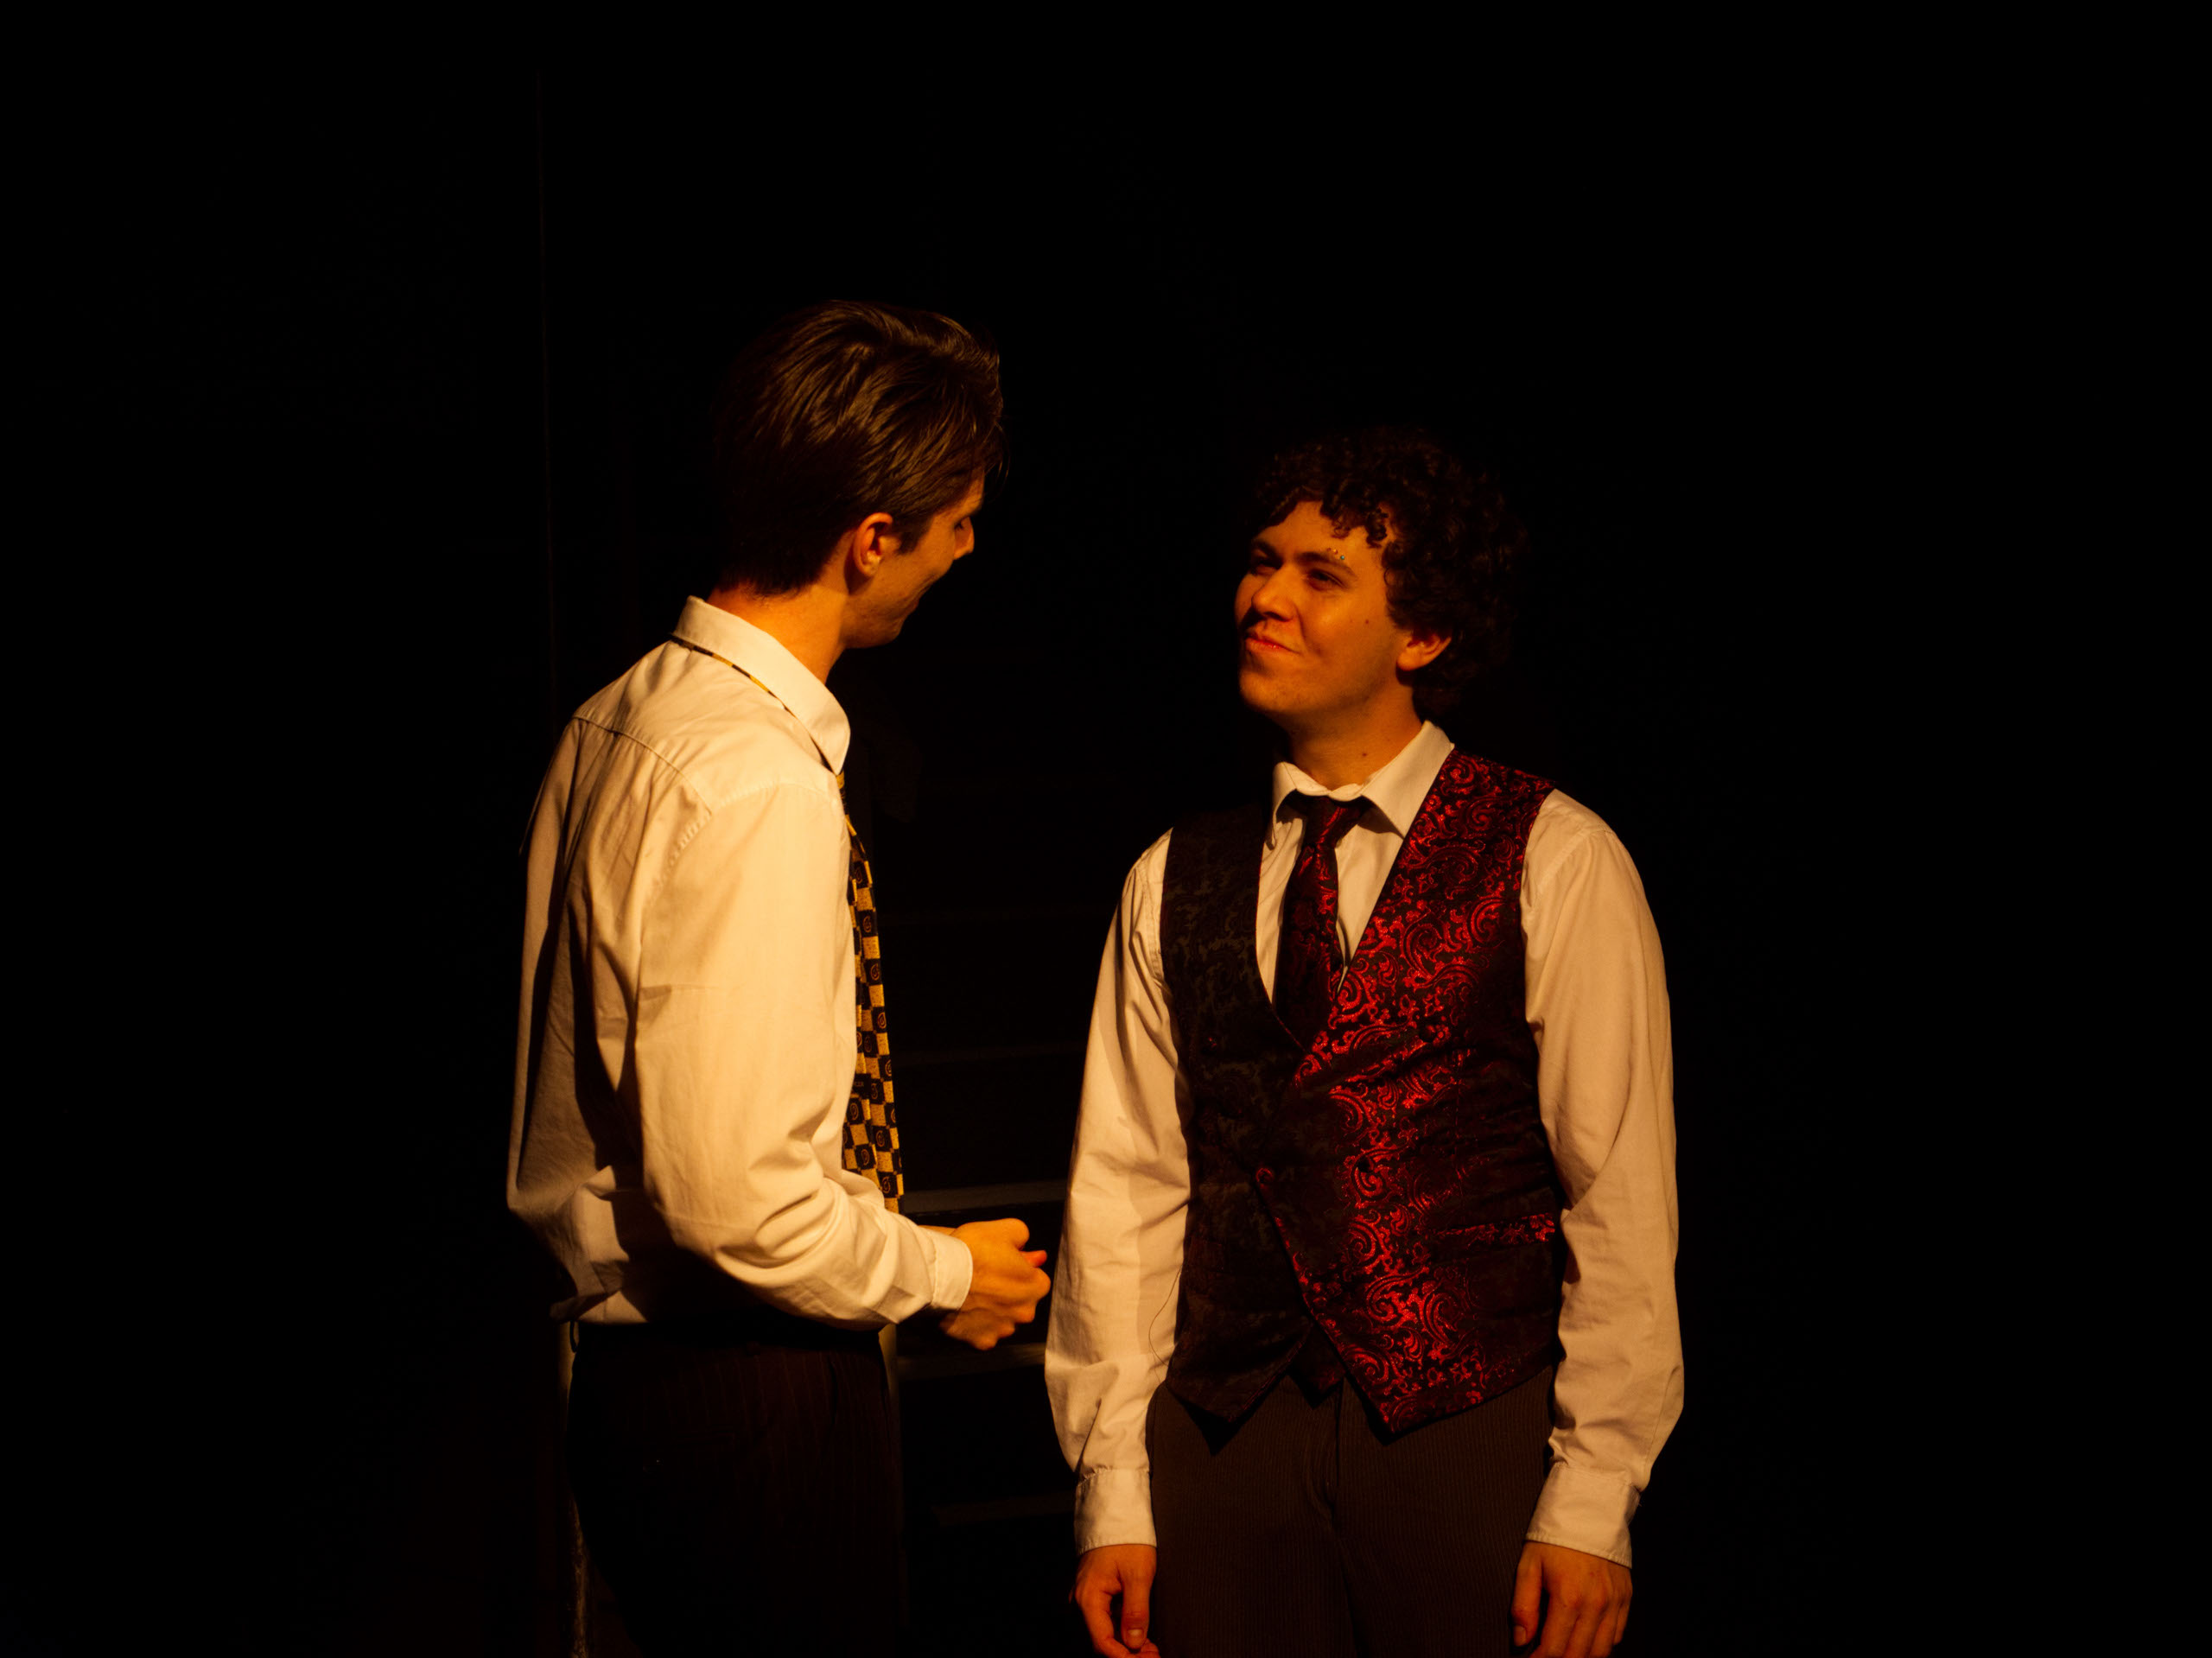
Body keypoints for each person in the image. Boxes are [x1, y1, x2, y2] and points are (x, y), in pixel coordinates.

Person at [1046, 429, 1681, 1658]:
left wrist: (1595, 1496)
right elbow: (1123, 1195)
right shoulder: (1173, 874)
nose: (1264, 598)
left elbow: (1620, 1198)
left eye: (1319, 575)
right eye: (1260, 561)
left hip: (1465, 1429)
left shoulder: (1554, 855)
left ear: (1423, 633)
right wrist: (1111, 1486)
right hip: (1223, 1438)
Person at [510, 300, 1052, 1656]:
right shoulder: (754, 778)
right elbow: (737, 1204)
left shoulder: (622, 714)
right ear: (872, 537)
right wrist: (945, 1272)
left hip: (656, 1382)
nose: (965, 551)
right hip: (738, 1385)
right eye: (956, 522)